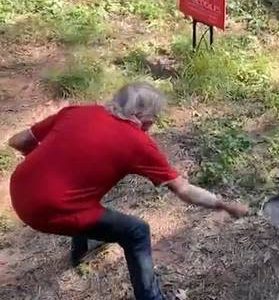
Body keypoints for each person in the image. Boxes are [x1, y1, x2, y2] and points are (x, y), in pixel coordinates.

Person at [8, 82, 249, 300]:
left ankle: (81, 251)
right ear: (140, 117)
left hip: (19, 187)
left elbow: (18, 141)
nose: (152, 125)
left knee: (81, 193)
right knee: (136, 231)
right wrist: (223, 205)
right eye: (153, 119)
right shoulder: (138, 143)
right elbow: (183, 190)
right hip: (46, 210)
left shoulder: (79, 111)